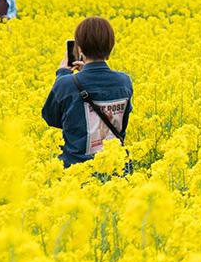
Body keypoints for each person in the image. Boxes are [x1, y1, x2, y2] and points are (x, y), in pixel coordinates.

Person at [42, 16, 133, 167]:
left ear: (80, 49)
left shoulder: (67, 84)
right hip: (116, 169)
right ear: (110, 49)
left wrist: (63, 74)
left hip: (76, 172)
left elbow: (51, 118)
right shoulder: (124, 82)